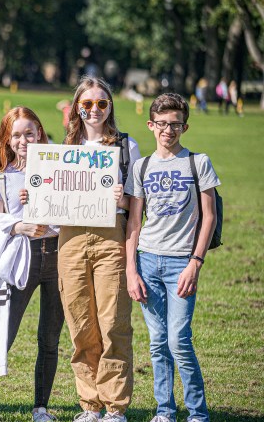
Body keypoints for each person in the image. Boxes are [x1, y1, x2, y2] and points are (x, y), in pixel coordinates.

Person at [0, 107, 64, 422]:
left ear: (40, 133)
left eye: (29, 133)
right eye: (16, 135)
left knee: (50, 337)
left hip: (59, 258)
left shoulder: (61, 167)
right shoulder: (1, 177)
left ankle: (41, 408)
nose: (23, 140)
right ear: (7, 140)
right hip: (21, 260)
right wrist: (20, 226)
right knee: (3, 334)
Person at [125, 93, 219, 422]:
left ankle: (197, 414)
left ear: (185, 126)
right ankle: (164, 411)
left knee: (178, 339)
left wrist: (196, 262)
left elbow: (210, 217)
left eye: (175, 124)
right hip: (148, 260)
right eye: (162, 124)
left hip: (182, 262)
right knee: (157, 342)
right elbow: (134, 222)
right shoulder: (142, 166)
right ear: (151, 125)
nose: (168, 130)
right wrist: (130, 270)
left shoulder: (198, 162)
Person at [59, 77, 140, 422]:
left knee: (113, 323)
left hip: (111, 236)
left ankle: (115, 407)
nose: (94, 110)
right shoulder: (63, 147)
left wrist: (119, 197)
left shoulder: (126, 146)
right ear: (77, 106)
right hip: (71, 239)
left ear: (110, 107)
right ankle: (89, 404)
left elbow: (136, 204)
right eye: (87, 103)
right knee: (80, 324)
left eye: (102, 103)